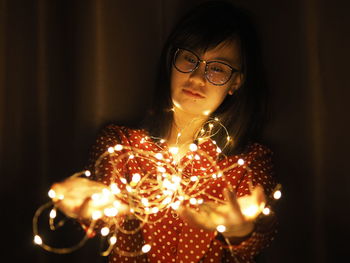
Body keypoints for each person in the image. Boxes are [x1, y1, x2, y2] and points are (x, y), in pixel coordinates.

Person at [51, 1, 279, 262]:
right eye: (189, 59)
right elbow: (104, 214)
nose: (197, 77)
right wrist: (87, 209)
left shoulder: (249, 162)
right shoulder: (120, 145)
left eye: (217, 68)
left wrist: (241, 229)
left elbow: (259, 237)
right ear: (171, 60)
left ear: (236, 82)